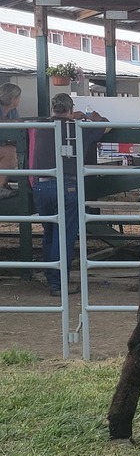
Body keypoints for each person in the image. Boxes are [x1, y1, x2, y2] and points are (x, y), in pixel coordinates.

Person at [28, 93, 110, 297]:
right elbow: (106, 124)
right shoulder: (78, 128)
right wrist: (92, 118)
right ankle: (58, 283)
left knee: (49, 233)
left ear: (52, 108)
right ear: (71, 110)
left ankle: (52, 277)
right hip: (67, 185)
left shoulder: (40, 128)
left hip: (41, 184)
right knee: (63, 236)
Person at [1, 83, 23, 200]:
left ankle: (3, 184)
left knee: (16, 151)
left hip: (3, 145)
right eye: (18, 97)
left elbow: (16, 126)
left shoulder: (13, 112)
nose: (19, 100)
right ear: (13, 98)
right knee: (10, 152)